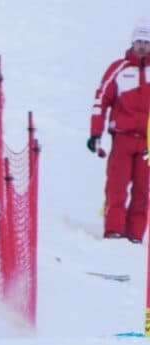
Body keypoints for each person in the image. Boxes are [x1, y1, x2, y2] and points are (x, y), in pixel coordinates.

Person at [89, 18, 150, 243]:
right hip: (122, 138)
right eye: (139, 41)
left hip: (147, 143)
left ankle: (135, 235)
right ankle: (114, 231)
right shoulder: (119, 69)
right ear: (132, 43)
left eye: (146, 42)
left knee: (143, 192)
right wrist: (95, 132)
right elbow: (100, 100)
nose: (142, 46)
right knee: (117, 187)